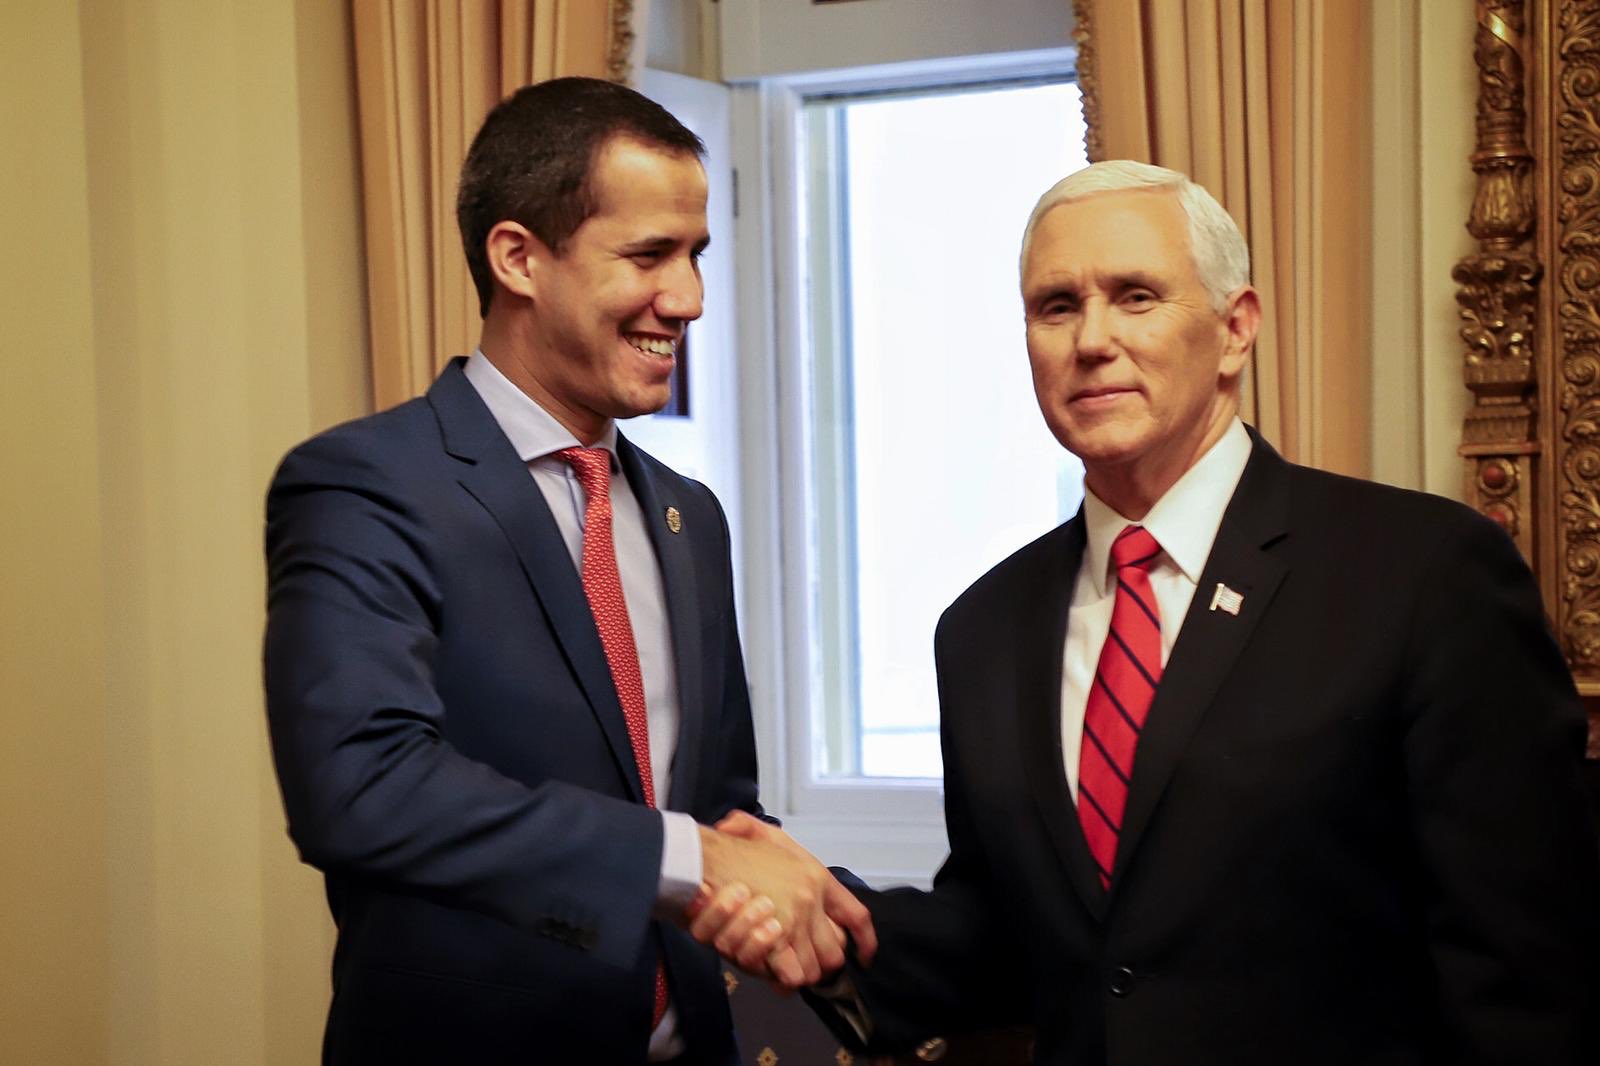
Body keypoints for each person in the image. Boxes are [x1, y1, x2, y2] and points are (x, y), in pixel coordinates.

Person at [698, 160, 1600, 1065]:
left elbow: (1527, 965)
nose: (1091, 339)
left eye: (1135, 296)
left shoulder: (1419, 574)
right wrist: (814, 917)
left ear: (1236, 328)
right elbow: (1005, 940)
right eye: (1057, 307)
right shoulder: (984, 629)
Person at [263, 77, 871, 1066]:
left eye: (696, 256)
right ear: (518, 259)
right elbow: (362, 787)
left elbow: (711, 796)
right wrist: (689, 859)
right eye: (649, 256)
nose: (689, 299)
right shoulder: (366, 485)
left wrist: (773, 873)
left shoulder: (688, 515)